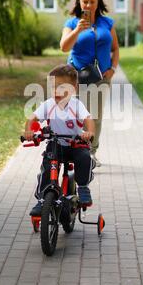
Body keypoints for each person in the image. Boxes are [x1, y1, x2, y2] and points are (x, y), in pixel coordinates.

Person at [24, 64, 96, 217]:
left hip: (75, 143)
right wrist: (29, 131)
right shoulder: (48, 105)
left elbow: (88, 119)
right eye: (53, 87)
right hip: (56, 145)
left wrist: (88, 132)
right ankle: (43, 199)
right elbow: (33, 118)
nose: (56, 91)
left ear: (73, 89)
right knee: (47, 167)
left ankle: (83, 187)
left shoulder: (77, 105)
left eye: (62, 87)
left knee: (84, 158)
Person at [60, 0, 119, 167]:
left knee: (95, 117)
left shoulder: (107, 23)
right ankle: (75, 152)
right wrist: (78, 30)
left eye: (92, 1)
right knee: (76, 116)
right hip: (76, 77)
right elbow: (64, 47)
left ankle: (91, 153)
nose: (88, 5)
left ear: (98, 2)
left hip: (101, 77)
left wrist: (113, 69)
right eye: (85, 1)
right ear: (79, 2)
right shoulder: (71, 23)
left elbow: (115, 48)